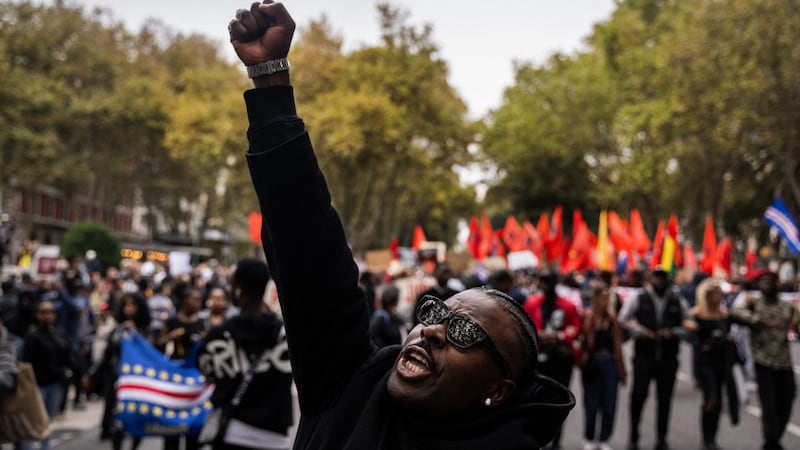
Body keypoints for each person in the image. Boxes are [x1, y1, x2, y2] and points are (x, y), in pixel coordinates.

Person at [229, 2, 575, 448]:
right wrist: (271, 78)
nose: (431, 330)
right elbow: (308, 246)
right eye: (435, 312)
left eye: (465, 333)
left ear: (498, 390)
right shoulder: (350, 385)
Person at [196, 258, 293, 450]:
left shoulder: (219, 337)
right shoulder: (286, 337)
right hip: (276, 438)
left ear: (237, 289)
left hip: (233, 433)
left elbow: (206, 369)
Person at [618, 266, 693, 450]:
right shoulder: (639, 297)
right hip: (644, 357)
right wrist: (639, 331)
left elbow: (689, 324)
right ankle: (634, 436)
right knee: (638, 397)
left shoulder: (677, 300)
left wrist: (674, 332)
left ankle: (662, 439)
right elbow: (622, 319)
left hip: (668, 358)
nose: (659, 281)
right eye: (656, 277)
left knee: (665, 400)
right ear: (651, 279)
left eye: (662, 278)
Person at [731, 269, 798, 450]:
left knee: (788, 399)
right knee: (769, 406)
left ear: (777, 284)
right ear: (758, 286)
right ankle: (770, 441)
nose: (767, 285)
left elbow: (796, 324)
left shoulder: (787, 306)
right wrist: (758, 320)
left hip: (784, 363)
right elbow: (735, 313)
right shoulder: (753, 304)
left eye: (770, 281)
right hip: (763, 363)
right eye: (763, 282)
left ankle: (774, 438)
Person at [523, 269, 581, 450]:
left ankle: (556, 441)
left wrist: (559, 336)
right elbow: (524, 325)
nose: (546, 284)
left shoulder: (569, 305)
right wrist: (539, 335)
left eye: (549, 280)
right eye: (543, 280)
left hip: (561, 361)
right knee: (537, 401)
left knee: (559, 402)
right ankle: (538, 440)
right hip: (539, 360)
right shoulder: (532, 303)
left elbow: (575, 328)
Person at [85, 293, 150, 448]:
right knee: (116, 420)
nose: (129, 308)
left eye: (132, 305)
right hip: (116, 379)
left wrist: (136, 334)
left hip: (137, 382)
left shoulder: (145, 330)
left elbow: (149, 353)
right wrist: (91, 374)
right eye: (126, 305)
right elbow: (107, 355)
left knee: (136, 420)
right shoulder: (117, 330)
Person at [689, 277, 739, 450]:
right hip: (705, 365)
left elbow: (729, 336)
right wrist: (695, 373)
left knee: (718, 403)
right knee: (711, 400)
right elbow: (695, 345)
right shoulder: (697, 314)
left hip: (722, 364)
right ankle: (706, 438)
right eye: (716, 294)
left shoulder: (723, 315)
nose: (719, 297)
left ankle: (711, 438)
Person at [579, 282, 626, 450]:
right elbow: (581, 340)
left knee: (609, 403)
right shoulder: (587, 317)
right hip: (592, 363)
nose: (605, 302)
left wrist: (622, 371)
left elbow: (618, 345)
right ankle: (590, 437)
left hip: (609, 363)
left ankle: (604, 438)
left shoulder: (612, 319)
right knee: (591, 403)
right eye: (602, 298)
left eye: (608, 298)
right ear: (595, 299)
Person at [22, 300, 71, 450]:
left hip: (56, 384)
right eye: (44, 312)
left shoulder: (59, 334)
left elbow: (67, 356)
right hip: (38, 386)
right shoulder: (32, 336)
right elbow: (27, 363)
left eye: (50, 312)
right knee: (33, 422)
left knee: (48, 422)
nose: (47, 316)